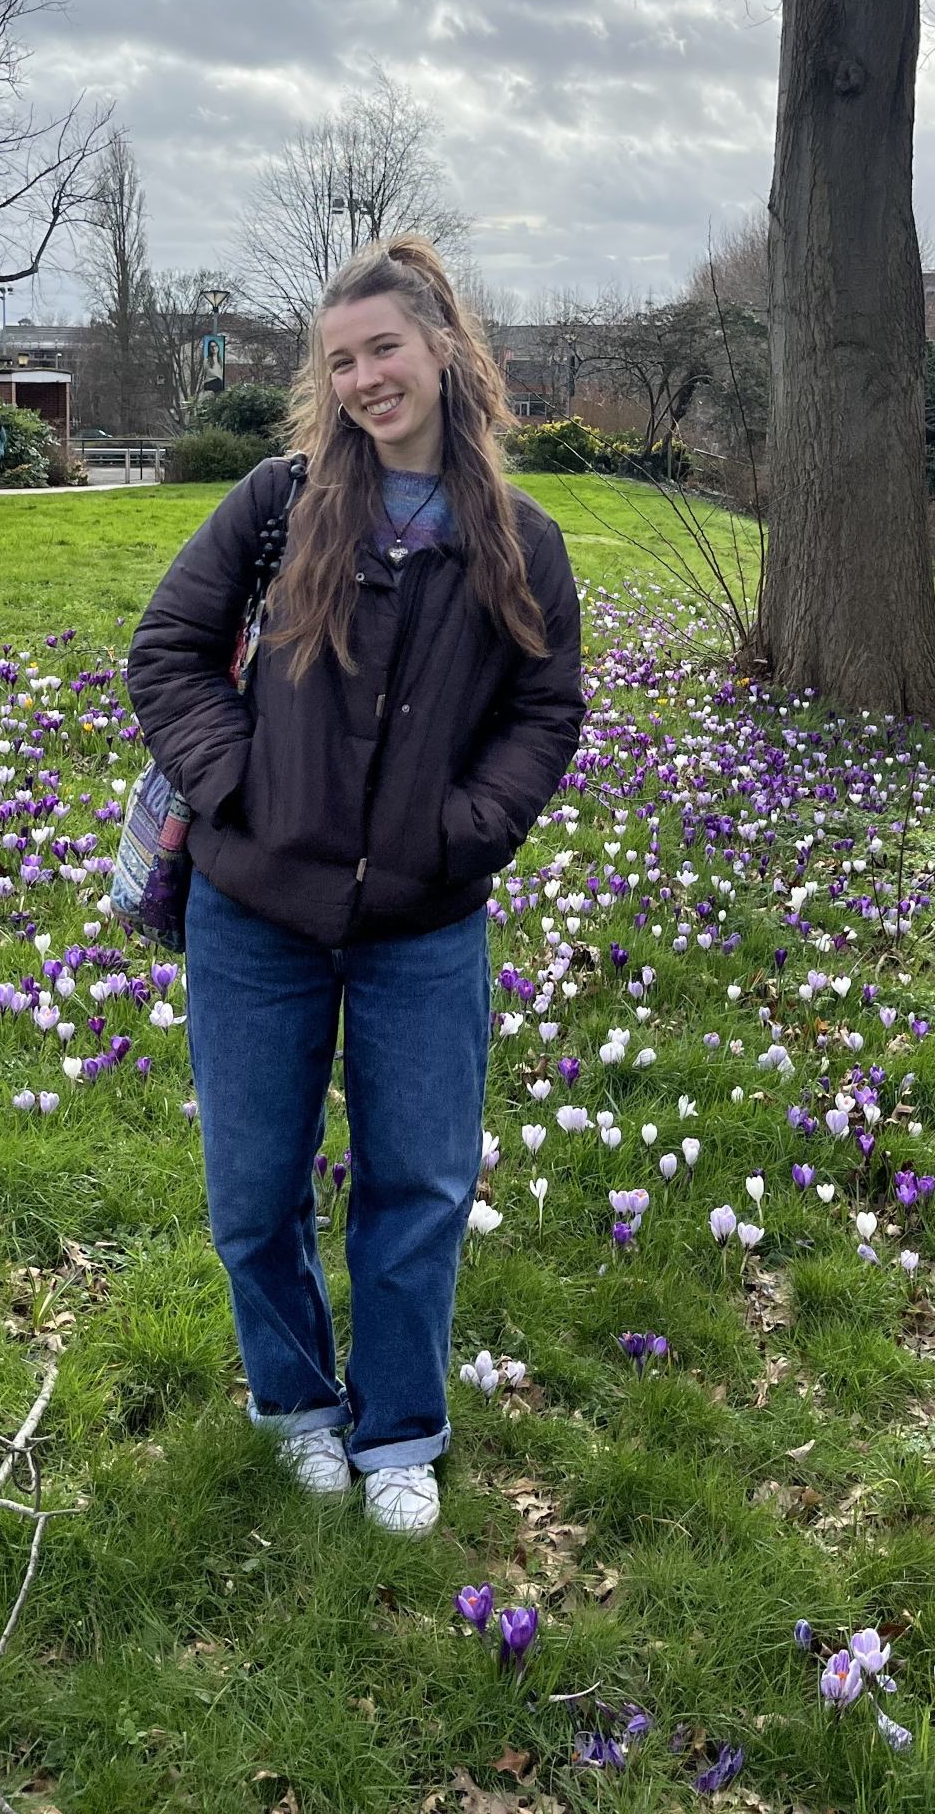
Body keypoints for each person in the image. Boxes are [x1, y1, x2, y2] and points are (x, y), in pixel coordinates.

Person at [126, 236, 585, 1535]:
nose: (366, 378)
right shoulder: (278, 507)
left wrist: (466, 831)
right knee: (253, 1190)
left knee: (418, 1188)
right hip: (254, 915)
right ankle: (295, 1409)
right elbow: (163, 652)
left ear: (445, 348)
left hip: (422, 925)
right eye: (341, 362)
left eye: (384, 348)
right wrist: (242, 787)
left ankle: (398, 1431)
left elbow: (545, 713)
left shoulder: (519, 542)